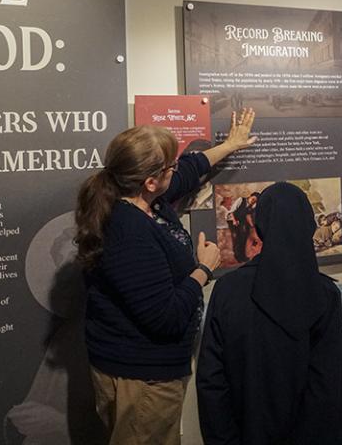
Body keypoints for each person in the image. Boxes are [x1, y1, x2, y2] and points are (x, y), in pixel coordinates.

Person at [75, 109, 256, 445]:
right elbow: (165, 317)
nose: (178, 167)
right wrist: (203, 269)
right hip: (142, 379)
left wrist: (230, 145)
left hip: (141, 372)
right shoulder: (128, 230)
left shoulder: (142, 199)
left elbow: (190, 169)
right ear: (150, 181)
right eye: (170, 165)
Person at [196, 182, 342, 445]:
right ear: (308, 225)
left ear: (259, 226)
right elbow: (329, 387)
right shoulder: (324, 294)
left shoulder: (227, 291)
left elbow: (212, 382)